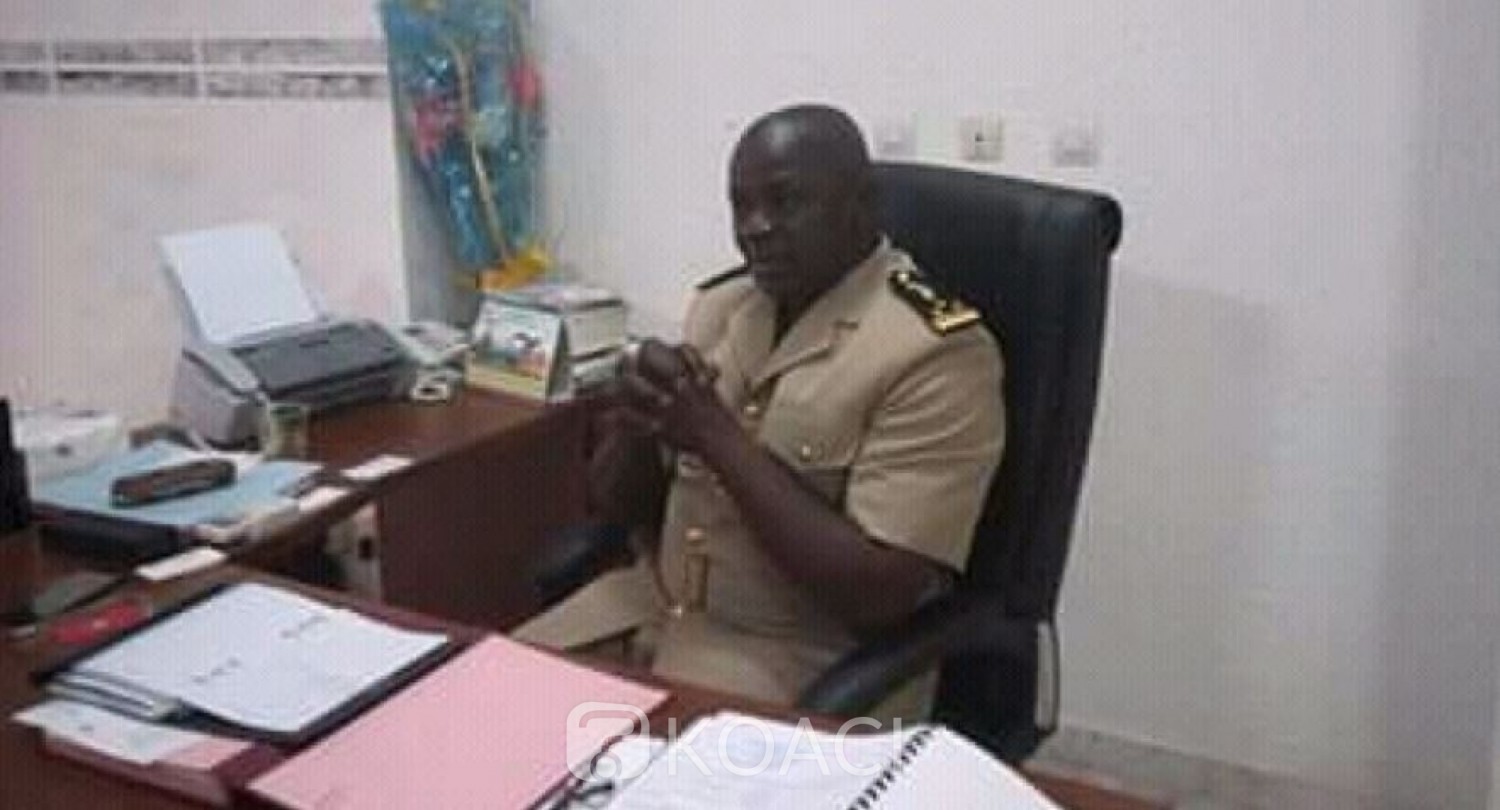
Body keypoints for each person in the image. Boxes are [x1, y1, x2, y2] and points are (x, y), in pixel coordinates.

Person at [515, 104, 1004, 716]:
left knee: (606, 767)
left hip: (796, 662)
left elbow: (880, 595)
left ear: (864, 203)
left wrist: (715, 436)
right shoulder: (723, 307)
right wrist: (637, 423)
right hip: (649, 607)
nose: (756, 228)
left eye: (785, 201)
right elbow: (618, 507)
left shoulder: (935, 352)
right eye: (740, 206)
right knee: (471, 715)